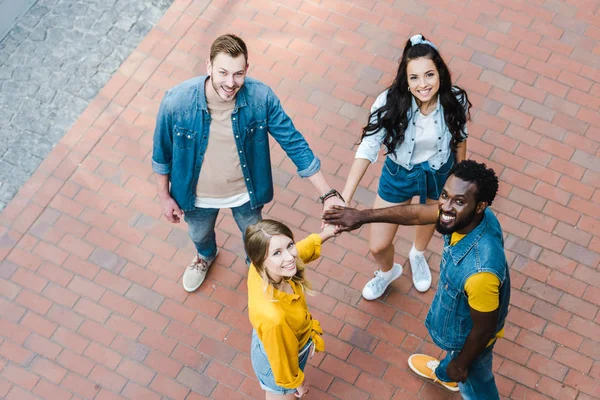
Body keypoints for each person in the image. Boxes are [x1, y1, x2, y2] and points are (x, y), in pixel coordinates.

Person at [152, 34, 344, 292]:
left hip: (245, 194)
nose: (230, 83)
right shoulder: (177, 102)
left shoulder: (260, 98)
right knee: (199, 235)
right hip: (195, 198)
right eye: (223, 72)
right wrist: (165, 197)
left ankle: (255, 265)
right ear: (208, 66)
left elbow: (293, 143)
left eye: (238, 74)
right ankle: (205, 256)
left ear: (246, 70)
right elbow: (161, 155)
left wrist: (327, 194)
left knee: (255, 242)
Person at [324, 160, 510, 399]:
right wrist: (362, 216)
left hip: (469, 339)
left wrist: (461, 364)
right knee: (457, 361)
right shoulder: (475, 217)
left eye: (459, 201)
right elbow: (415, 215)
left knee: (477, 383)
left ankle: (453, 370)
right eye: (445, 195)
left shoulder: (480, 273)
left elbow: (483, 330)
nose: (446, 207)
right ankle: (446, 371)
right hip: (462, 324)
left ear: (479, 206)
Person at [340, 34, 471, 300]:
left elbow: (460, 137)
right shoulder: (389, 101)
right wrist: (345, 197)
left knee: (429, 221)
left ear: (440, 74)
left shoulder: (454, 99)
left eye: (429, 75)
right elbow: (367, 148)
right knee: (378, 245)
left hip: (438, 174)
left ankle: (417, 254)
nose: (423, 84)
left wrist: (461, 176)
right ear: (406, 79)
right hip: (398, 175)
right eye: (414, 78)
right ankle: (387, 272)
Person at [245, 219, 336, 399]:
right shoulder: (274, 318)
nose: (289, 257)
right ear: (260, 260)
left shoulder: (263, 269)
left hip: (278, 344)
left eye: (289, 245)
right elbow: (282, 361)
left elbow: (301, 250)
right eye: (277, 253)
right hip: (279, 362)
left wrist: (327, 233)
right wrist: (297, 383)